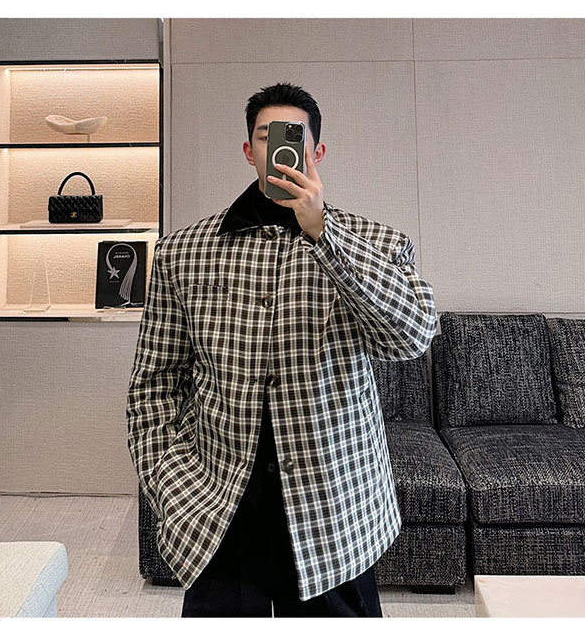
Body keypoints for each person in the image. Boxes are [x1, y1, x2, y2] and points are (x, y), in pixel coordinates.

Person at [126, 81, 437, 617]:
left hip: (334, 511)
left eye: (292, 136)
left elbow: (412, 336)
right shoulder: (182, 251)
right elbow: (154, 384)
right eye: (265, 136)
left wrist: (326, 237)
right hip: (217, 505)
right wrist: (169, 485)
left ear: (317, 151)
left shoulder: (378, 243)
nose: (278, 148)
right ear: (249, 151)